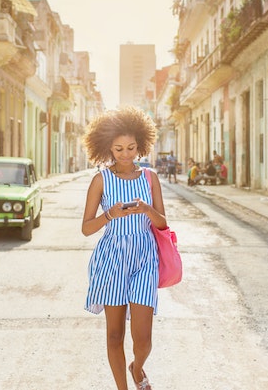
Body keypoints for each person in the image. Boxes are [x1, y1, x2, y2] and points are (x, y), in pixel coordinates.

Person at [81, 106, 167, 390]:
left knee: (143, 340)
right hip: (111, 258)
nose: (126, 154)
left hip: (144, 256)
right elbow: (86, 228)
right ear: (108, 148)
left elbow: (163, 223)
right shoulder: (100, 180)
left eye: (131, 147)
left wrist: (145, 208)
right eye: (119, 149)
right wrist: (109, 215)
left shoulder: (150, 178)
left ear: (141, 144)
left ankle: (137, 367)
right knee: (115, 335)